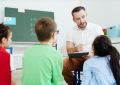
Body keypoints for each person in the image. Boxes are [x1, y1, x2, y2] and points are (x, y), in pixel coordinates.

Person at [62, 6, 104, 85]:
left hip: (94, 58)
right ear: (74, 20)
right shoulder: (70, 31)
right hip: (78, 59)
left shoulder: (97, 28)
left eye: (83, 17)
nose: (82, 21)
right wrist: (75, 49)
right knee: (64, 64)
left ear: (86, 15)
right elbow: (68, 50)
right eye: (78, 19)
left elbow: (103, 47)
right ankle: (72, 83)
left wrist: (93, 55)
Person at [22, 17, 64, 85]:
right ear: (53, 34)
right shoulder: (56, 55)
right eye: (57, 32)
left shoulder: (27, 52)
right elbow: (58, 81)